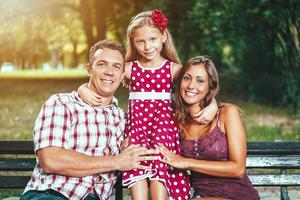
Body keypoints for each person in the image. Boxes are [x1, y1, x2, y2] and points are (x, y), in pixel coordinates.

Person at [78, 10, 217, 200]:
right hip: (138, 126)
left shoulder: (174, 69)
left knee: (160, 158)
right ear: (133, 43)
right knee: (136, 158)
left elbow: (197, 88)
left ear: (163, 37)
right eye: (140, 41)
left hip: (164, 124)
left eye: (152, 39)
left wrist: (213, 104)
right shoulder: (130, 68)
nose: (147, 46)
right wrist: (82, 89)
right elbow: (103, 75)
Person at [20, 40, 158, 200]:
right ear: (89, 69)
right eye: (101, 64)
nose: (109, 72)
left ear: (122, 76)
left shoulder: (125, 120)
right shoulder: (62, 103)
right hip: (51, 193)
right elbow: (50, 160)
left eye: (116, 66)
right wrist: (117, 162)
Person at [158, 56, 260, 200]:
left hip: (237, 195)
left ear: (210, 87)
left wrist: (186, 162)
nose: (191, 86)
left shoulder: (227, 113)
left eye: (200, 81)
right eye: (187, 78)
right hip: (203, 195)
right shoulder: (176, 120)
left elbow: (238, 169)